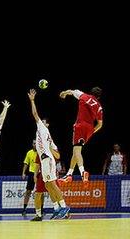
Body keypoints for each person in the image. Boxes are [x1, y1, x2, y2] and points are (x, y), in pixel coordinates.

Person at [28, 89, 70, 220]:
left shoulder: (42, 127)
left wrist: (32, 100)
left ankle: (64, 206)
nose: (41, 121)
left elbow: (34, 113)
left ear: (46, 124)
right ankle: (57, 208)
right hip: (46, 160)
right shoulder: (48, 137)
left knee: (52, 183)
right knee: (47, 185)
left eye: (44, 121)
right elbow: (56, 152)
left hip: (47, 160)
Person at [59, 87, 103, 183]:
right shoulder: (99, 107)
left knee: (77, 150)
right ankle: (69, 174)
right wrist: (92, 132)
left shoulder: (84, 96)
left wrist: (64, 93)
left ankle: (83, 172)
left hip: (80, 125)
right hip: (90, 129)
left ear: (91, 93)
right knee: (76, 150)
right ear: (98, 97)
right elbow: (100, 124)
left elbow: (71, 91)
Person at [21, 140, 38, 216]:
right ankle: (24, 209)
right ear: (32, 144)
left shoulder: (40, 152)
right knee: (28, 192)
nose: (35, 145)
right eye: (34, 143)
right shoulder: (29, 153)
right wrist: (23, 173)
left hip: (39, 174)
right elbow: (26, 163)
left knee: (40, 193)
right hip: (31, 173)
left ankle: (41, 210)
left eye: (36, 143)